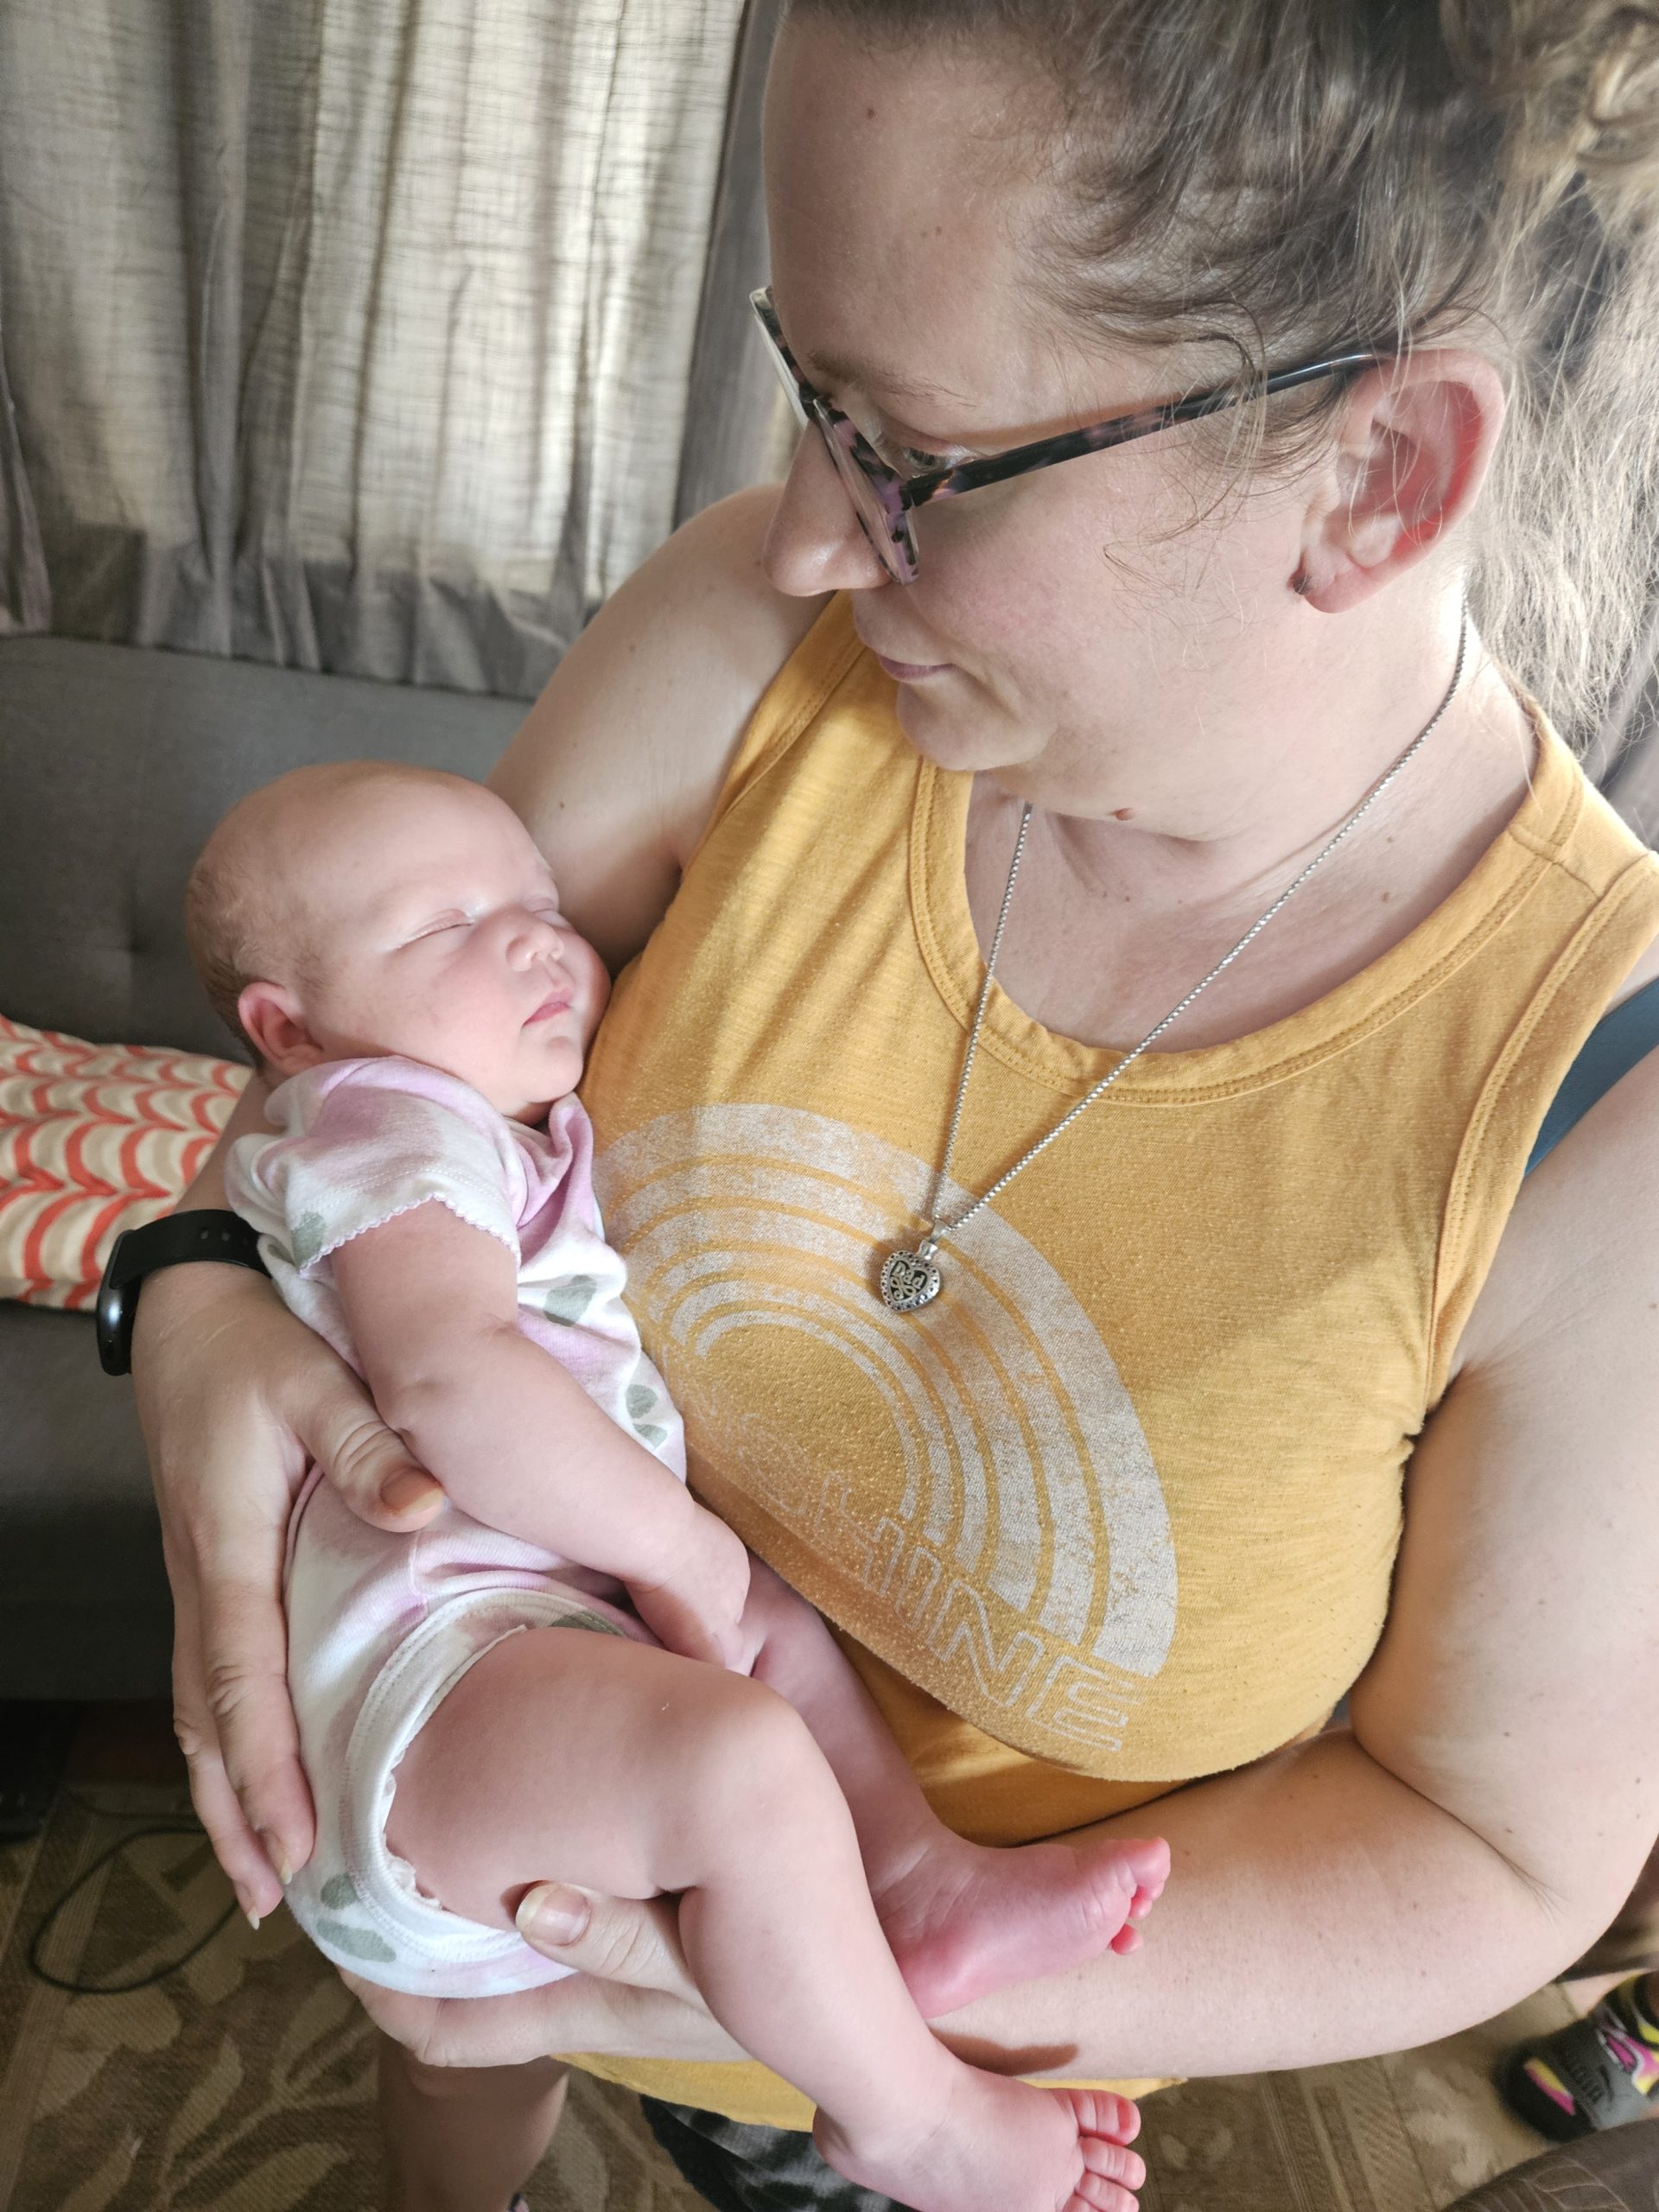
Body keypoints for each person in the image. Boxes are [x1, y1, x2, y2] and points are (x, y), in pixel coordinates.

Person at [129, 3, 1659, 2209]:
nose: (812, 544)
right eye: (808, 396)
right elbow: (370, 1052)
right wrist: (185, 1284)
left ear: (1381, 474)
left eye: (911, 458)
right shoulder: (755, 653)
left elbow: (1495, 1850)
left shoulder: (1600, 1118)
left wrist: (839, 1996)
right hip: (499, 1797)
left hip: (916, 2081)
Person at [183, 760, 1160, 2212]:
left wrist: (698, 1573)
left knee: (777, 1653)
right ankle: (908, 2117)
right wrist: (679, 1551)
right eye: (445, 926)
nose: (530, 940)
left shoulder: (490, 1125)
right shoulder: (384, 1119)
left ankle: (918, 1877)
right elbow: (447, 1385)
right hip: (432, 1691)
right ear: (292, 1028)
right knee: (743, 1762)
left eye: (536, 903)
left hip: (518, 1664)